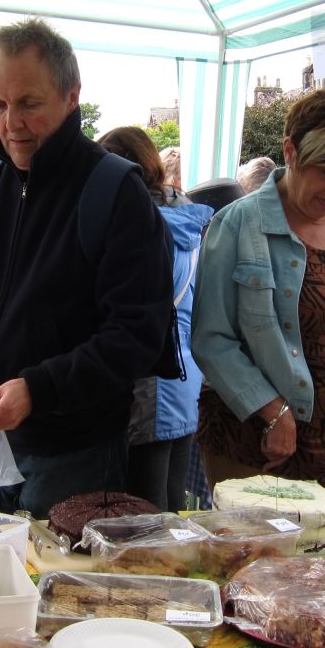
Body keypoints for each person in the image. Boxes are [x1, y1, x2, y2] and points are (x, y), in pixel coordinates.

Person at [0, 18, 174, 518]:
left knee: (63, 592)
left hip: (78, 451)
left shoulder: (116, 192)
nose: (11, 124)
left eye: (29, 104)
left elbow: (137, 333)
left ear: (71, 96)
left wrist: (38, 389)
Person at [191, 82, 325, 487]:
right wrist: (271, 409)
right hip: (256, 445)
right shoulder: (237, 224)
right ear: (291, 151)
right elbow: (211, 338)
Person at [99, 126, 213, 510]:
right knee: (173, 500)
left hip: (150, 378)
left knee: (144, 509)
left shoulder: (141, 226)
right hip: (185, 372)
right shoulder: (190, 220)